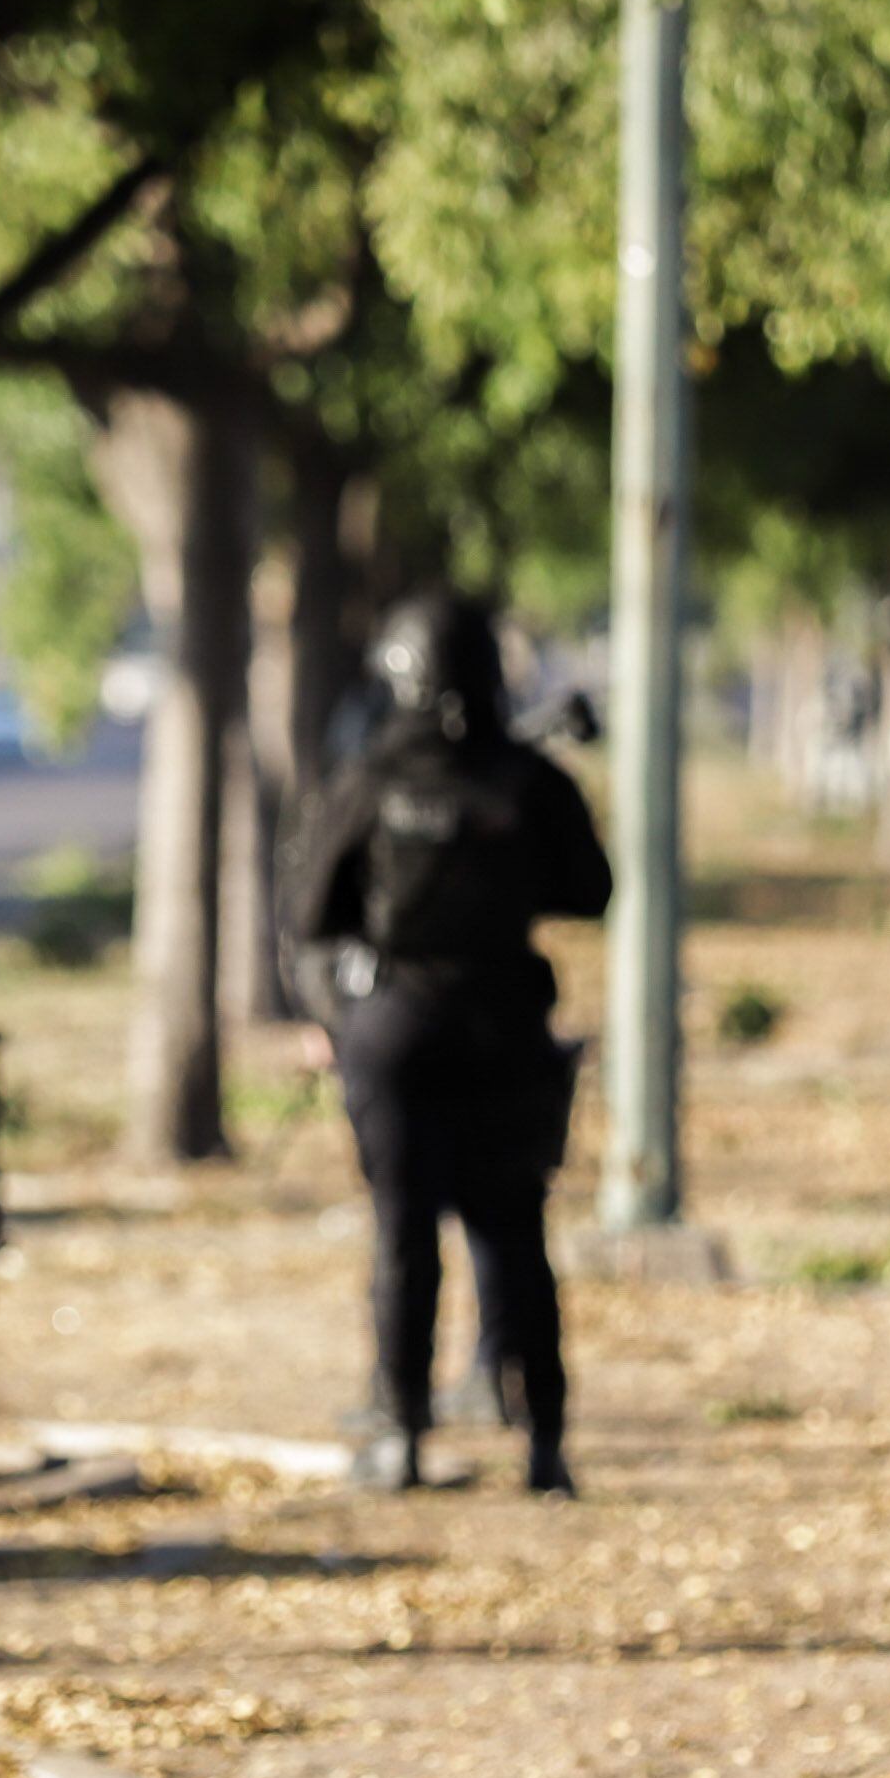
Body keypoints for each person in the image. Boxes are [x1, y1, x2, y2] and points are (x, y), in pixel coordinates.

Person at [296, 590, 612, 1494]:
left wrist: (337, 1018)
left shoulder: (366, 781)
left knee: (403, 1236)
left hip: (395, 1031)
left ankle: (399, 1432)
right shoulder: (528, 780)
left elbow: (312, 914)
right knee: (516, 1232)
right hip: (505, 1024)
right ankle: (543, 1441)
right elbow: (588, 888)